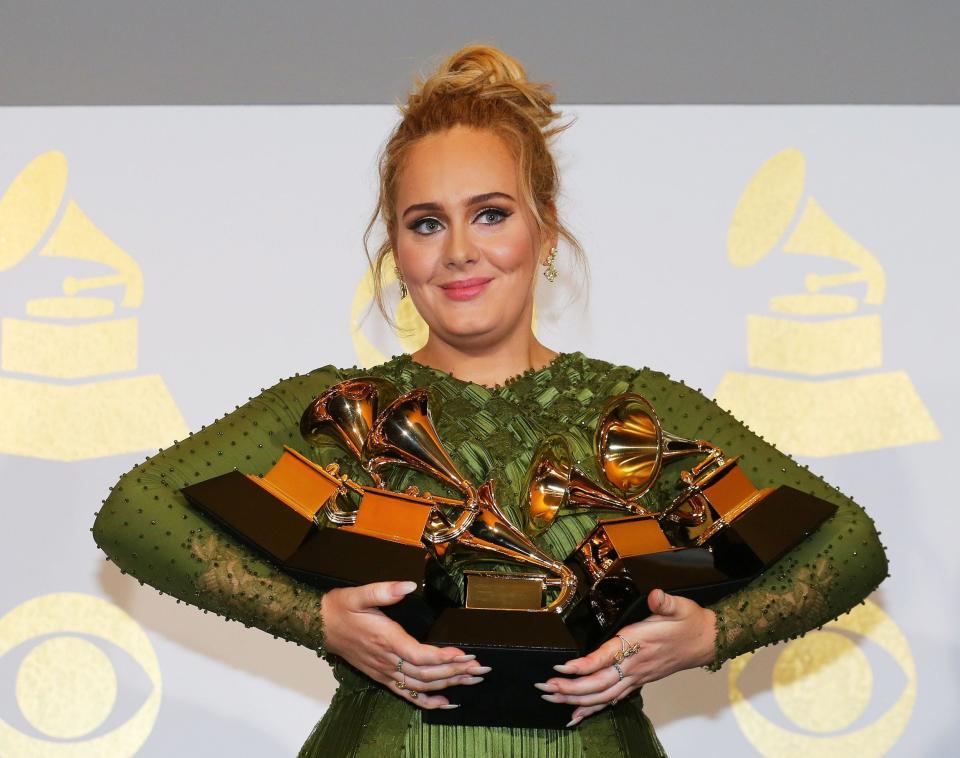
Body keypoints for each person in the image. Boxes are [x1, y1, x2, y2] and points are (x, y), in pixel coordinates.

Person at [92, 44, 888, 757]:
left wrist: (712, 635)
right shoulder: (336, 409)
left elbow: (847, 539)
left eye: (491, 214)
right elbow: (133, 510)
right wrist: (320, 620)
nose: (460, 251)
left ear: (545, 234)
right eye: (427, 223)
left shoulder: (636, 410)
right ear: (396, 255)